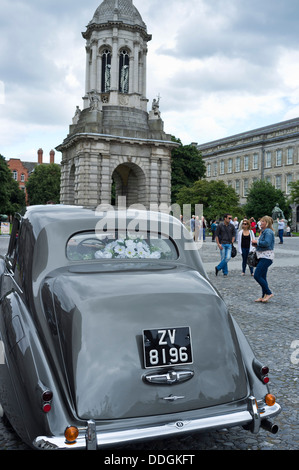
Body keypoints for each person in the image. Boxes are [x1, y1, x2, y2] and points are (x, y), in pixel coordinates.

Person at [251, 216, 275, 303]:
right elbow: (263, 244)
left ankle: (268, 293)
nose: (260, 223)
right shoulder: (264, 231)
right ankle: (263, 295)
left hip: (266, 257)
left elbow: (267, 243)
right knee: (263, 277)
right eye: (261, 222)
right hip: (262, 256)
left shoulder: (268, 231)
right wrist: (256, 245)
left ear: (267, 223)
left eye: (262, 222)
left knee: (257, 275)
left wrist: (257, 242)